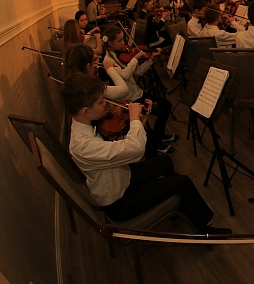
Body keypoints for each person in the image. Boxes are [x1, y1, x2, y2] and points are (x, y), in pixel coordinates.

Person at [62, 73, 230, 235]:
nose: (105, 105)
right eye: (100, 102)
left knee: (165, 161)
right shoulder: (83, 146)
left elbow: (116, 147)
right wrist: (134, 119)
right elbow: (135, 150)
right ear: (86, 112)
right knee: (183, 182)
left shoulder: (87, 123)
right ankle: (205, 230)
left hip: (122, 178)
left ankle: (180, 205)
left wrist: (140, 121)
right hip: (119, 202)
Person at [101, 26, 176, 155]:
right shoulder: (108, 61)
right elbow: (125, 75)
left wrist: (151, 58)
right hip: (130, 99)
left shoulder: (121, 55)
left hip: (137, 93)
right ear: (110, 43)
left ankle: (160, 135)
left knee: (166, 105)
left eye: (123, 39)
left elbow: (139, 71)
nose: (123, 43)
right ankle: (157, 142)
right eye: (119, 41)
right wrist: (135, 58)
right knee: (162, 110)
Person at [64, 43, 128, 100]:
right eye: (93, 61)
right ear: (88, 66)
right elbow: (124, 90)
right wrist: (110, 69)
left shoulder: (68, 86)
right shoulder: (91, 87)